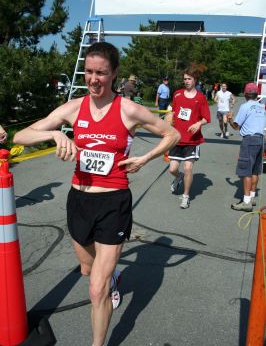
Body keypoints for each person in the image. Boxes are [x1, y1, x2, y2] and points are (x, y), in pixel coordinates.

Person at [13, 41, 180, 346]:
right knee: (87, 269)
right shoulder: (74, 108)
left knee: (96, 288)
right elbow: (21, 135)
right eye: (89, 72)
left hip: (113, 201)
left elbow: (173, 133)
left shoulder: (128, 109)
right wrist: (53, 133)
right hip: (78, 201)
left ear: (114, 73)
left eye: (101, 73)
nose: (93, 79)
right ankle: (111, 277)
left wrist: (144, 158)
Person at [165, 64, 211, 209]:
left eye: (189, 79)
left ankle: (185, 196)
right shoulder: (177, 94)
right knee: (172, 169)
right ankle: (178, 178)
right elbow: (173, 110)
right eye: (185, 79)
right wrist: (169, 115)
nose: (186, 81)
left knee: (188, 168)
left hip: (192, 140)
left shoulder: (201, 97)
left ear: (195, 80)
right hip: (177, 138)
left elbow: (206, 118)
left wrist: (198, 124)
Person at [228, 82, 265, 212]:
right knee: (255, 170)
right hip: (261, 139)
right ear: (256, 94)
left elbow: (236, 127)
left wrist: (229, 119)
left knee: (246, 171)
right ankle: (252, 197)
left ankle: (246, 201)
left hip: (249, 140)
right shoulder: (261, 107)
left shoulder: (245, 106)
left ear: (245, 94)